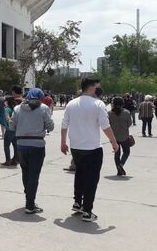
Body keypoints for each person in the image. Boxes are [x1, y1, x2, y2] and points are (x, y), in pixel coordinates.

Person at [61, 78, 119, 222]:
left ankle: (77, 202)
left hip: (75, 146)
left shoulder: (71, 103)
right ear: (92, 88)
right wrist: (114, 142)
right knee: (92, 179)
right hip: (92, 147)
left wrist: (63, 142)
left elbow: (64, 124)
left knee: (79, 173)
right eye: (96, 87)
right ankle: (87, 211)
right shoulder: (98, 104)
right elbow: (105, 126)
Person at [9, 88, 54, 214]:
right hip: (37, 145)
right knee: (34, 175)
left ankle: (28, 197)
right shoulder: (44, 108)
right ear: (40, 97)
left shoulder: (17, 108)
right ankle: (30, 204)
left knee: (25, 172)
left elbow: (12, 126)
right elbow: (50, 126)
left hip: (21, 145)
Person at [108, 97, 132, 176]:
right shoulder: (126, 112)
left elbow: (108, 125)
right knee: (126, 152)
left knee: (117, 154)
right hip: (124, 136)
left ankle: (118, 170)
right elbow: (130, 123)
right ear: (122, 103)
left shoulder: (109, 113)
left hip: (114, 137)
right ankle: (121, 165)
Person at [0, 96, 18, 167]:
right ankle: (15, 160)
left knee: (6, 146)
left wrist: (9, 121)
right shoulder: (15, 108)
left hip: (9, 130)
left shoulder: (6, 108)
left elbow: (7, 117)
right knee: (15, 146)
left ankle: (8, 160)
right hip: (15, 130)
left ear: (7, 101)